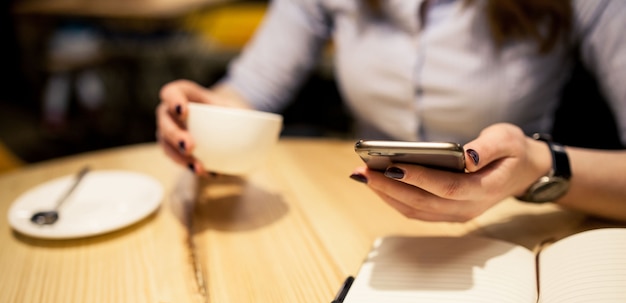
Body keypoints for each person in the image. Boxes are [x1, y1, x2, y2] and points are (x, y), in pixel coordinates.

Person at [156, 0, 626, 222]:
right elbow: (250, 90)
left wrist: (542, 168)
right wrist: (202, 119)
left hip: (516, 223)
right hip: (364, 217)